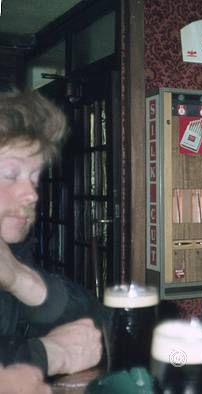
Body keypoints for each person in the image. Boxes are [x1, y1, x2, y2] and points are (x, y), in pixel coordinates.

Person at [0, 90, 103, 378]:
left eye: (35, 177)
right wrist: (49, 355)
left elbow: (99, 330)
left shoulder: (13, 253)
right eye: (10, 174)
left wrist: (22, 279)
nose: (31, 194)